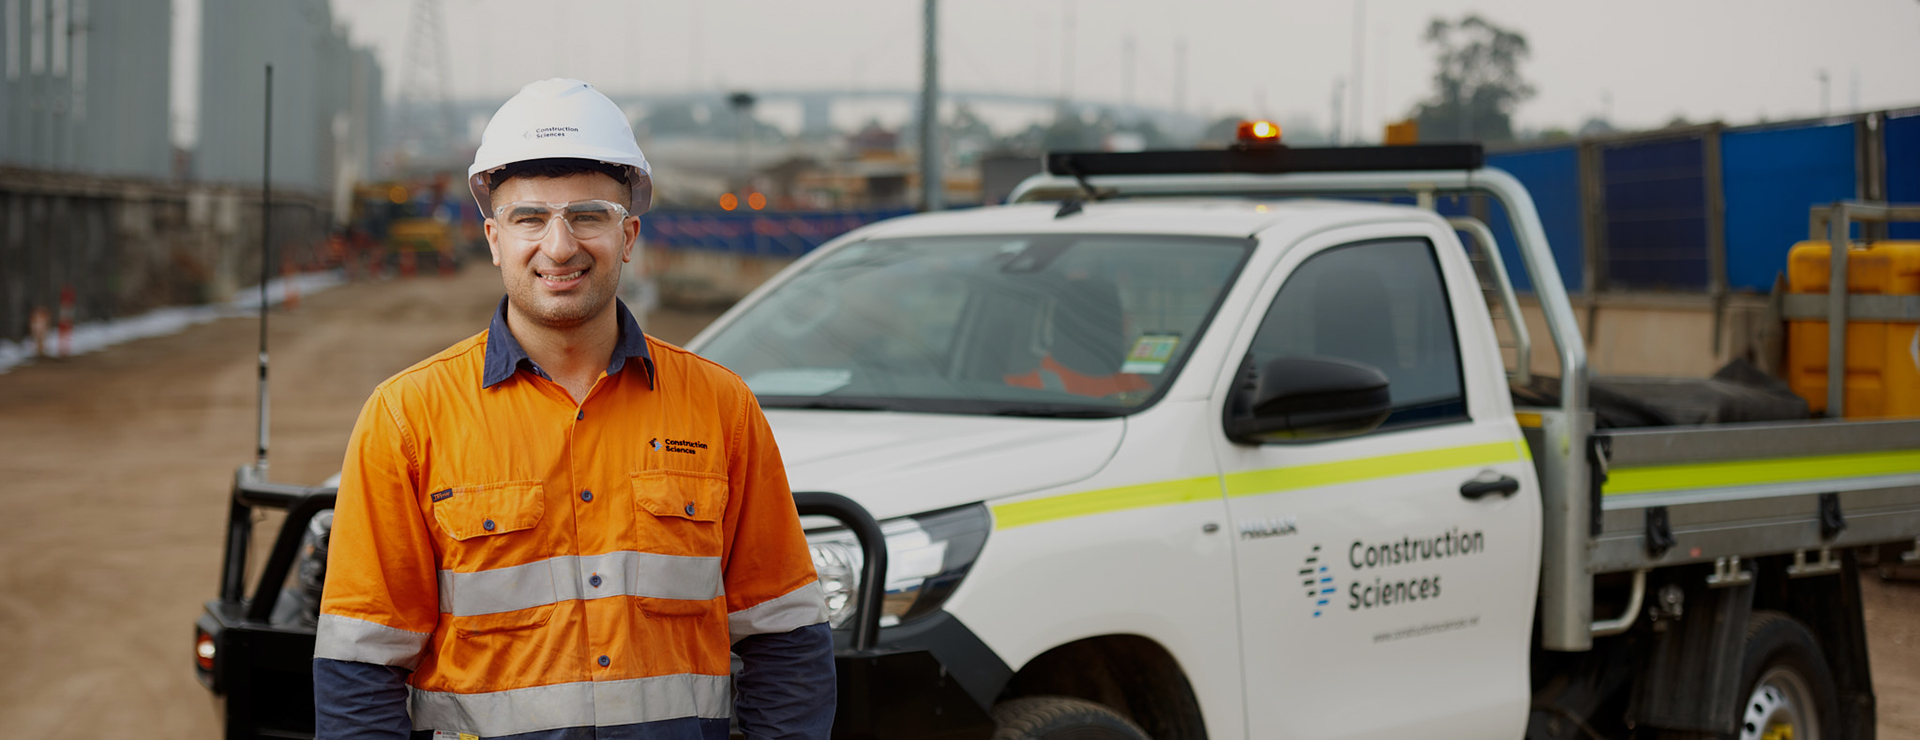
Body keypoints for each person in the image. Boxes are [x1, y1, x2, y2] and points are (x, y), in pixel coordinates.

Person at [313, 78, 835, 740]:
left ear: (629, 235)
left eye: (588, 215)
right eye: (529, 218)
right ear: (494, 238)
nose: (559, 247)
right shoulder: (408, 418)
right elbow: (359, 669)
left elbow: (787, 639)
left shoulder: (721, 407)